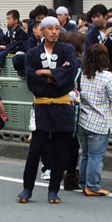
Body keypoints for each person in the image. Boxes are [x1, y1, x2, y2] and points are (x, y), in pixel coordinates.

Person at [16, 16, 79, 204]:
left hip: (62, 106)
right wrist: (57, 75)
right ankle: (27, 188)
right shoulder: (33, 53)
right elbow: (31, 78)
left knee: (61, 150)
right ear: (41, 30)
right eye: (50, 28)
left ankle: (53, 190)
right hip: (42, 105)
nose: (54, 32)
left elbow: (71, 74)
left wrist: (45, 73)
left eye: (57, 28)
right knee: (35, 149)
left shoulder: (67, 50)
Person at [76, 44, 112, 196]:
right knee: (96, 156)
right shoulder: (107, 76)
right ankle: (93, 186)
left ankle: (83, 183)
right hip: (100, 122)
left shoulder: (82, 73)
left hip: (82, 119)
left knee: (85, 154)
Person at [60, 30, 86, 190]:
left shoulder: (59, 61)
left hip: (56, 104)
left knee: (58, 141)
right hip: (73, 107)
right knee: (72, 143)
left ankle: (54, 172)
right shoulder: (80, 64)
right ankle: (70, 175)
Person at [84, 3, 112, 72]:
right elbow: (89, 53)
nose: (95, 20)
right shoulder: (91, 34)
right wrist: (106, 37)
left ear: (105, 16)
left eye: (98, 16)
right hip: (98, 69)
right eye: (93, 17)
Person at [0, 10, 27, 76]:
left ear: (16, 20)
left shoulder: (20, 31)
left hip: (16, 49)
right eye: (7, 19)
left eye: (9, 19)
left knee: (2, 54)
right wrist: (3, 45)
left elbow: (17, 43)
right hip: (9, 47)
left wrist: (6, 47)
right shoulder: (10, 30)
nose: (7, 21)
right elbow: (6, 39)